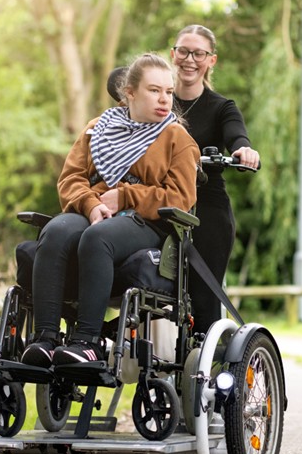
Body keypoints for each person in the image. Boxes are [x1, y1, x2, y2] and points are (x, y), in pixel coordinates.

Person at [21, 53, 200, 367]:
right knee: (57, 231)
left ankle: (87, 342)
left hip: (147, 224)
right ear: (129, 92)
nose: (164, 99)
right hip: (93, 211)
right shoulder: (97, 129)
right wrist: (91, 206)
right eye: (154, 90)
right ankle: (45, 339)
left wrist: (127, 197)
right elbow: (71, 179)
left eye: (169, 92)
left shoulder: (177, 139)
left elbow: (181, 198)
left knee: (98, 238)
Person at [170, 25, 259, 335]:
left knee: (204, 296)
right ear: (173, 54)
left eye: (199, 53)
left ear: (212, 61)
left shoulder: (222, 107)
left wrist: (243, 150)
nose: (189, 59)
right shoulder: (156, 101)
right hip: (160, 200)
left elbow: (236, 135)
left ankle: (204, 361)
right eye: (183, 51)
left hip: (205, 203)